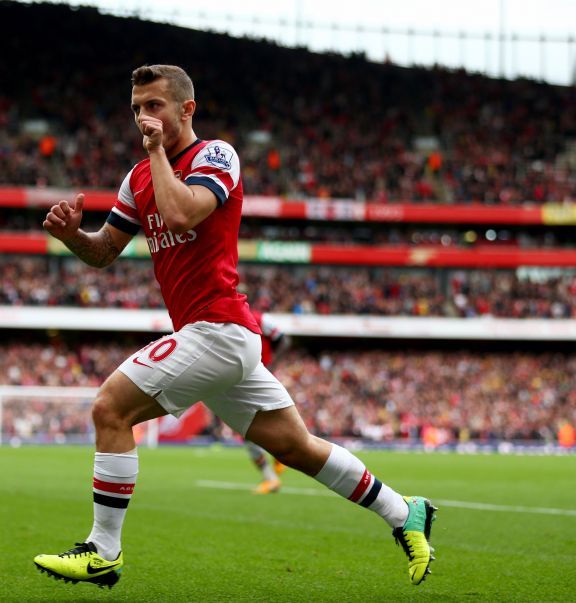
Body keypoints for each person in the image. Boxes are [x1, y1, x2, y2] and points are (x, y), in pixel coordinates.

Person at [33, 64, 437, 589]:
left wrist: (157, 153)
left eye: (153, 105)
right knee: (296, 447)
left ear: (186, 109)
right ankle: (404, 512)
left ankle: (102, 552)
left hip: (217, 330)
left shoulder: (215, 156)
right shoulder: (136, 179)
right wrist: (72, 237)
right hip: (218, 339)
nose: (142, 118)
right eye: (136, 108)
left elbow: (182, 215)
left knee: (110, 407)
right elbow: (105, 252)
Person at [246, 310, 289, 494]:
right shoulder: (226, 318)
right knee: (254, 428)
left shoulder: (260, 318)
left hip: (258, 378)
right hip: (243, 379)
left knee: (248, 430)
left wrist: (271, 366)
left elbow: (285, 340)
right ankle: (279, 455)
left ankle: (271, 476)